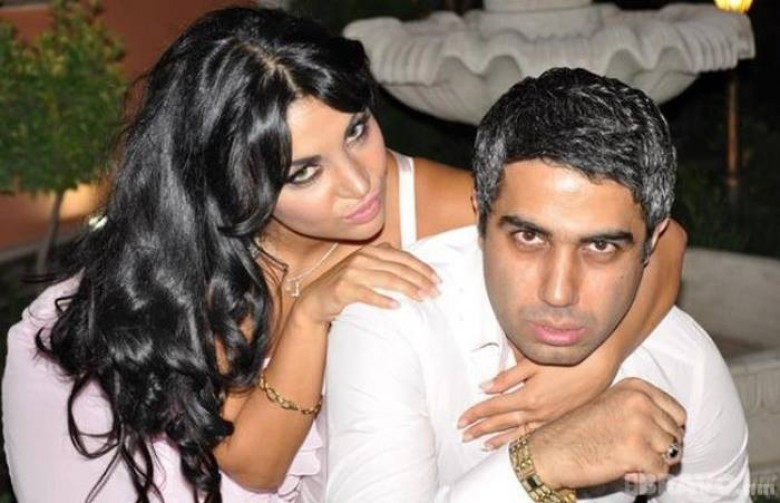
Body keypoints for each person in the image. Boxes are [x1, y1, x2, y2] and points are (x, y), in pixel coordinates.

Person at [2, 7, 684, 503]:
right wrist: (311, 315)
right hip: (142, 435)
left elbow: (664, 240)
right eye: (305, 171)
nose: (360, 184)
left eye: (357, 130)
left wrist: (594, 365)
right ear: (232, 183)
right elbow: (257, 466)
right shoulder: (201, 266)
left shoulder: (409, 194)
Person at [325, 68, 750, 502]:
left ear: (652, 242)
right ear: (480, 216)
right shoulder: (391, 324)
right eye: (529, 237)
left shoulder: (680, 360)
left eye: (600, 246)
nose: (558, 292)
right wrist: (544, 460)